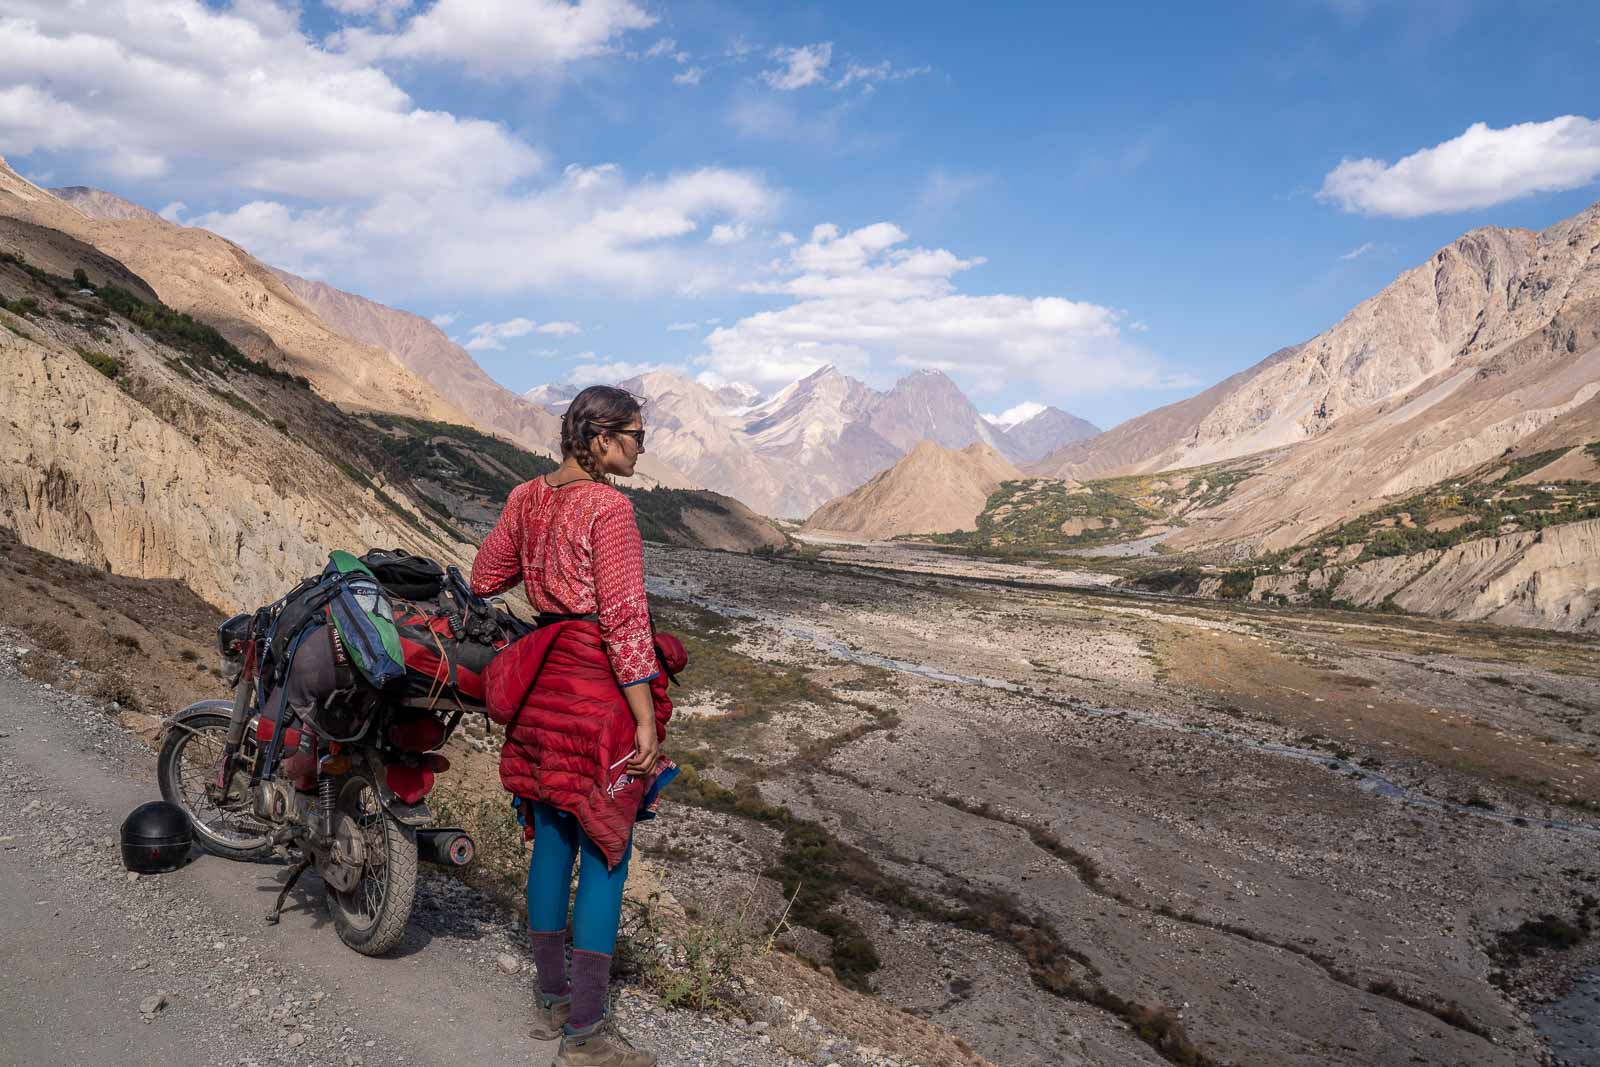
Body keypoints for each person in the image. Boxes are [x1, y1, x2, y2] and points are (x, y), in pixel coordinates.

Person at [471, 385, 682, 1067]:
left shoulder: (526, 497)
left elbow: (483, 575)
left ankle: (553, 997)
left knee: (553, 840)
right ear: (599, 438)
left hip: (542, 691)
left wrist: (543, 574)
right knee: (607, 848)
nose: (640, 449)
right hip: (596, 698)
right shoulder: (610, 509)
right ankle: (587, 1035)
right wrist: (646, 717)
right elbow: (624, 620)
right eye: (635, 436)